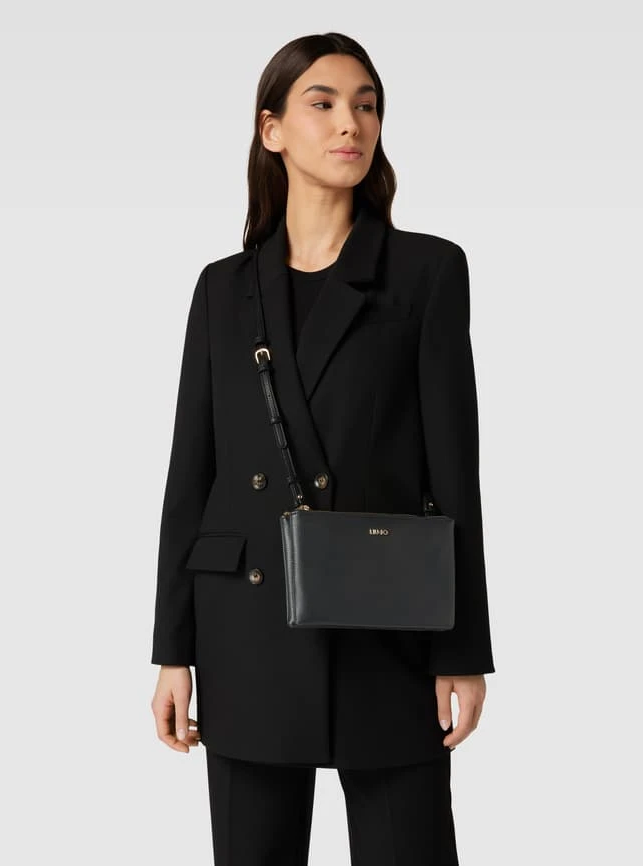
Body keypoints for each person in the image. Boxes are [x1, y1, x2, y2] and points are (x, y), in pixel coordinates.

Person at [150, 31, 495, 866]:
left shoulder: (427, 273)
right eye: (325, 103)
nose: (352, 123)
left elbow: (456, 471)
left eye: (367, 106)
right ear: (271, 129)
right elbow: (192, 475)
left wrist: (463, 649)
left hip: (387, 625)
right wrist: (172, 651)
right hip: (245, 628)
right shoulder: (222, 289)